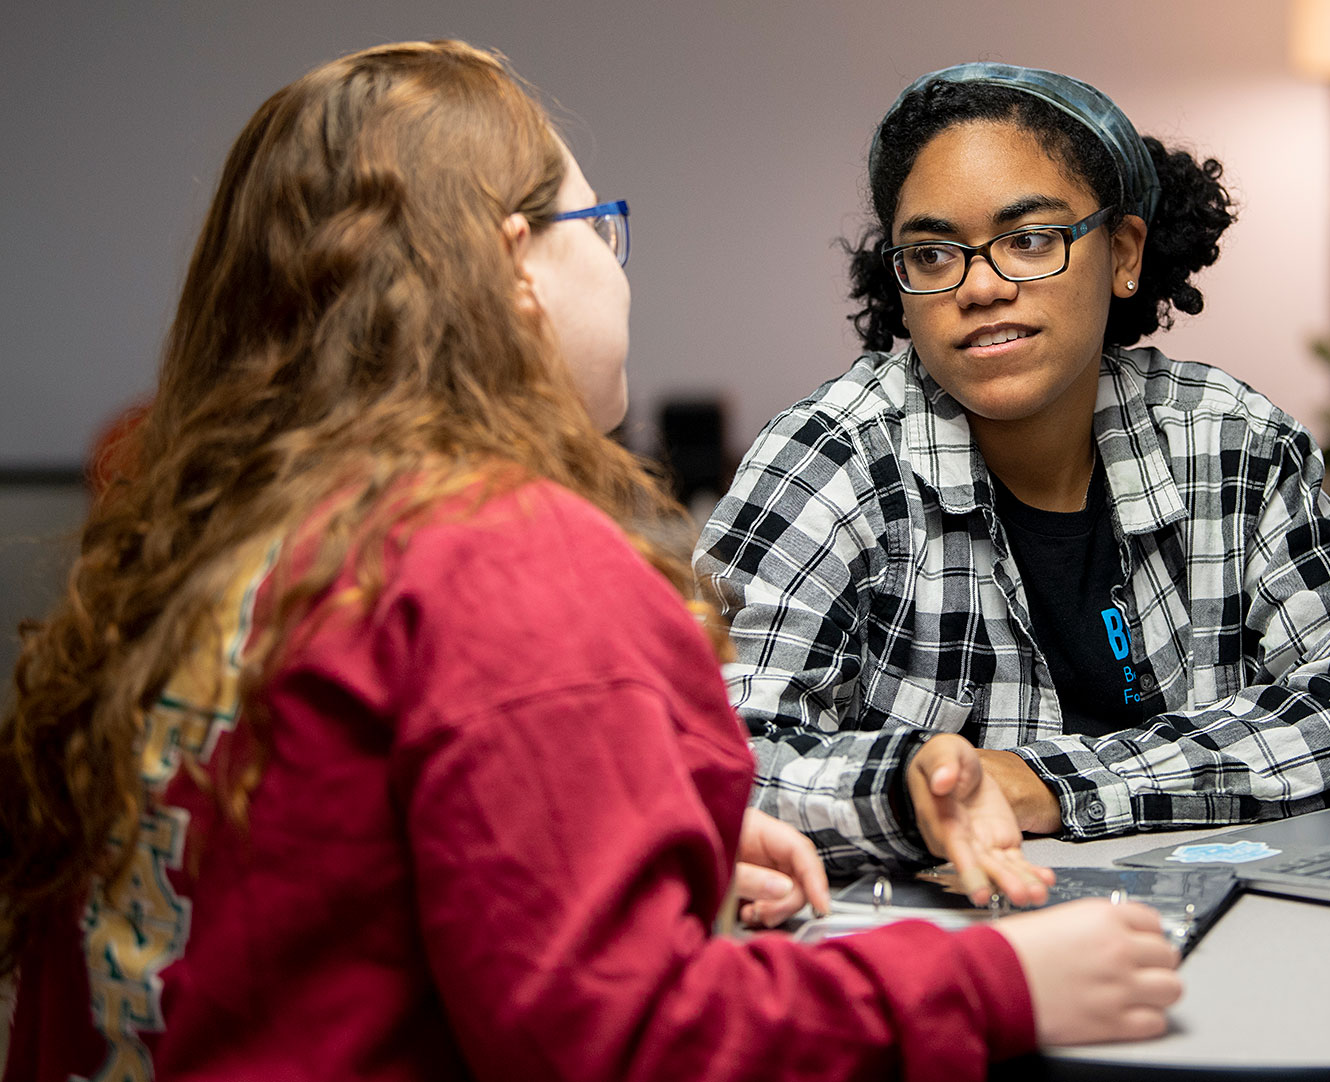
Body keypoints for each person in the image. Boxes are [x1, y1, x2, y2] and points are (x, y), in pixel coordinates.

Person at [0, 42, 1182, 1082]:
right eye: (598, 228)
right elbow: (623, 1042)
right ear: (516, 266)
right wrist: (992, 984)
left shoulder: (212, 545)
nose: (618, 269)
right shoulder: (509, 559)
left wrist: (659, 842)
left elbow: (316, 887)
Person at [696, 62, 1330, 896]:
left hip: (1242, 919)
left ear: (1121, 252)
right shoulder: (830, 459)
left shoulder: (1229, 442)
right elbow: (714, 760)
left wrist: (1043, 784)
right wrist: (910, 794)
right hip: (951, 941)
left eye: (1030, 240)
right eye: (933, 254)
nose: (980, 285)